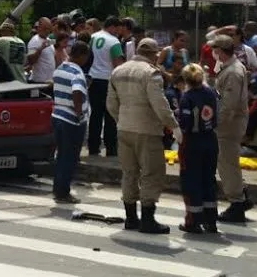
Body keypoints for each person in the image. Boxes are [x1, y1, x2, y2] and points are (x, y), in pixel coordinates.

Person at [109, 38, 181, 234]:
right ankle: (148, 219)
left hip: (124, 129)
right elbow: (160, 103)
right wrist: (173, 125)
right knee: (151, 173)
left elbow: (111, 104)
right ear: (153, 54)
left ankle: (131, 218)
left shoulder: (118, 71)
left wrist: (122, 119)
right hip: (147, 130)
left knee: (129, 173)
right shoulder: (151, 73)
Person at [211, 35, 253, 223]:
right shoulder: (229, 68)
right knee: (229, 162)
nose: (213, 53)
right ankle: (242, 195)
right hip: (230, 123)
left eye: (215, 50)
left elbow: (228, 105)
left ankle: (237, 203)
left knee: (227, 164)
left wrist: (216, 125)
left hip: (229, 125)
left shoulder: (233, 72)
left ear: (220, 50)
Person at [175, 63, 221, 234]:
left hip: (192, 143)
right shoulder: (212, 93)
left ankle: (193, 221)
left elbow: (185, 124)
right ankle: (211, 220)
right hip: (210, 140)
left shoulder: (187, 97)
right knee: (208, 179)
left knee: (191, 181)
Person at [50, 41, 92, 203]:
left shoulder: (60, 68)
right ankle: (63, 192)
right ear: (82, 55)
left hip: (58, 115)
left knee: (61, 155)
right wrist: (79, 112)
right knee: (70, 157)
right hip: (71, 120)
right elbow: (77, 91)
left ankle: (58, 188)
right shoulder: (77, 72)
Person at [86, 16, 125, 157]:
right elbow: (118, 64)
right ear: (113, 26)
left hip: (92, 80)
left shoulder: (93, 37)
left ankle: (93, 148)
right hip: (108, 81)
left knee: (95, 115)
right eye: (118, 29)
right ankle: (111, 149)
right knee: (110, 116)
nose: (119, 32)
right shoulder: (114, 41)